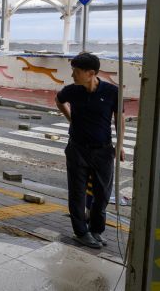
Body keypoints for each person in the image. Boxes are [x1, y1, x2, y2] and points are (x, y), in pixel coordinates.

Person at [55, 52, 125, 249]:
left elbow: (119, 120)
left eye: (76, 71)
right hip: (77, 149)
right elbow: (58, 100)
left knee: (102, 194)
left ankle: (96, 230)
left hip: (103, 151)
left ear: (91, 73)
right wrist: (71, 119)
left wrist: (119, 147)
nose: (73, 75)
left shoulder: (112, 92)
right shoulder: (72, 90)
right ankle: (81, 232)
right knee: (77, 193)